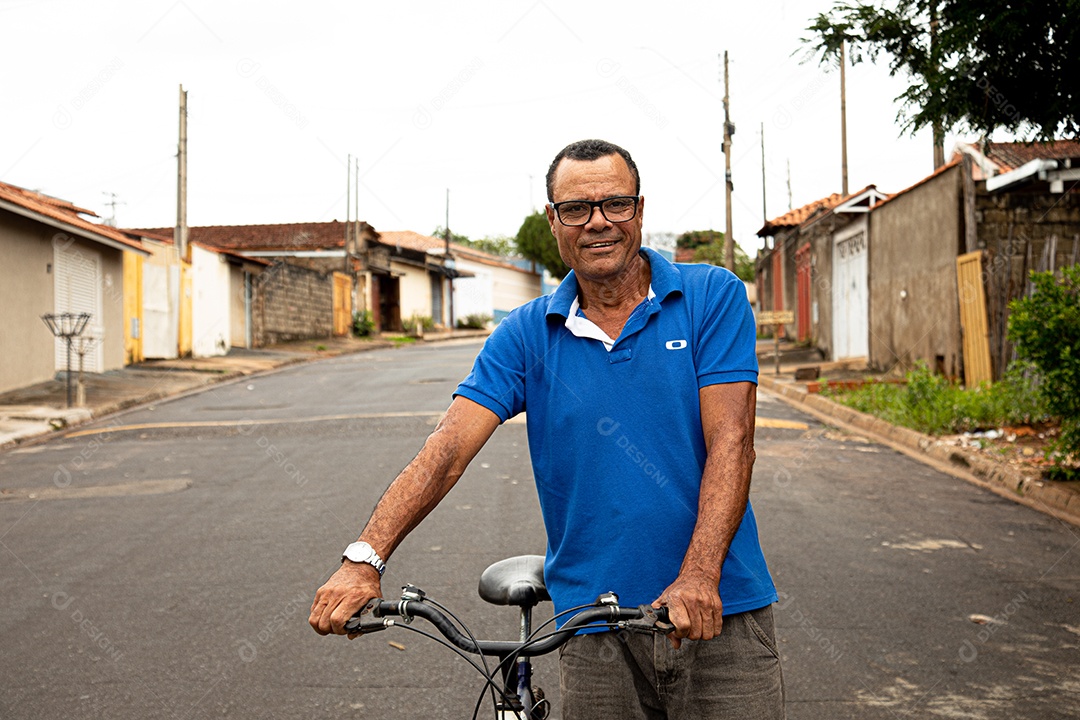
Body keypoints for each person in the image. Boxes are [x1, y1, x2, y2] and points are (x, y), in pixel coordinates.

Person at [309, 139, 785, 719]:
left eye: (616, 204)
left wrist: (699, 575)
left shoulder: (712, 296)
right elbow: (449, 448)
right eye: (576, 209)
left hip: (719, 610)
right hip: (592, 629)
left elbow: (732, 442)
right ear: (553, 221)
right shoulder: (526, 333)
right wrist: (365, 558)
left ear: (640, 209)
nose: (599, 223)